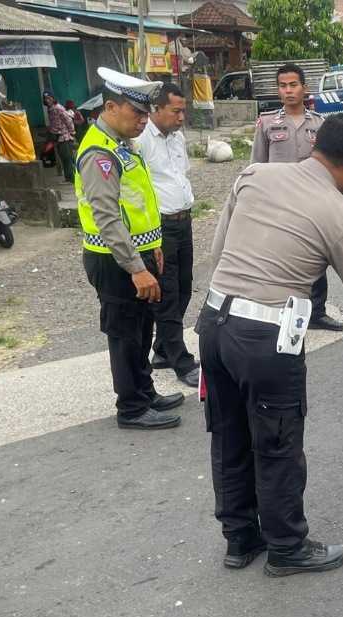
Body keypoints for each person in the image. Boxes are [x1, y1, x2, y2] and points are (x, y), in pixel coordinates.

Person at [201, 114, 343, 576]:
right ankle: (285, 547)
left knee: (229, 435)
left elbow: (219, 250)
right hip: (266, 339)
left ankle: (240, 540)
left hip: (214, 324)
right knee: (278, 444)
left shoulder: (253, 174)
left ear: (316, 145)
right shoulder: (341, 217)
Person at [76, 67, 184, 430]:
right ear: (110, 107)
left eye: (144, 113)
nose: (143, 120)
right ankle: (132, 407)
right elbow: (107, 218)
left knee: (142, 330)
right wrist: (135, 268)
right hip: (115, 262)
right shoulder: (99, 154)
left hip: (137, 254)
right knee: (125, 336)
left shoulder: (121, 146)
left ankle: (145, 391)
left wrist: (151, 246)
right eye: (136, 113)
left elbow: (136, 205)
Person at [250, 63, 343, 333]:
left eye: (293, 85)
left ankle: (317, 312)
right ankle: (276, 310)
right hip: (278, 204)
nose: (288, 90)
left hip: (312, 203)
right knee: (277, 257)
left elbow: (329, 166)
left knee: (316, 256)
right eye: (283, 85)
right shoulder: (267, 123)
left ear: (304, 88)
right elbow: (256, 165)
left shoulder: (319, 123)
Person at [134, 83, 200, 388]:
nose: (181, 117)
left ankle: (161, 349)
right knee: (168, 294)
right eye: (176, 111)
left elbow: (179, 174)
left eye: (183, 110)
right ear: (156, 109)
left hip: (183, 221)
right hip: (159, 228)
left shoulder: (177, 137)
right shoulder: (141, 140)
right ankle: (180, 359)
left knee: (184, 287)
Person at [44, 91, 76, 182]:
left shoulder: (58, 108)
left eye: (49, 98)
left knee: (67, 158)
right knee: (63, 157)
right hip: (57, 137)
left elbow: (68, 120)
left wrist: (72, 132)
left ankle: (72, 178)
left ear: (53, 98)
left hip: (64, 137)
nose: (48, 100)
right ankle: (68, 177)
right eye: (46, 99)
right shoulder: (50, 109)